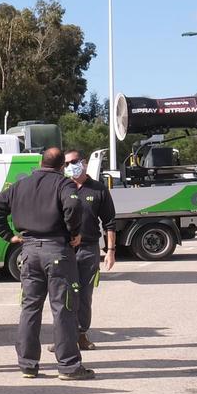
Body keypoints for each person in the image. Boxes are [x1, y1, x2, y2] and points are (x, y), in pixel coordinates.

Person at [0, 146, 91, 380]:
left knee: (30, 308)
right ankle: (69, 367)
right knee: (63, 308)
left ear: (41, 162)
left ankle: (28, 364)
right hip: (57, 251)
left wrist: (9, 235)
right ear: (62, 166)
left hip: (28, 251)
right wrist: (74, 232)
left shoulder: (20, 184)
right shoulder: (64, 184)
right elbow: (73, 207)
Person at [62, 150, 117, 351]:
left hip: (88, 250)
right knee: (64, 294)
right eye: (66, 163)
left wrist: (110, 251)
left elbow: (110, 222)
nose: (70, 166)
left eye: (73, 162)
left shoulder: (98, 189)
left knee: (84, 295)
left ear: (84, 163)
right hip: (64, 249)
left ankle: (81, 334)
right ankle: (64, 337)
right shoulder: (62, 187)